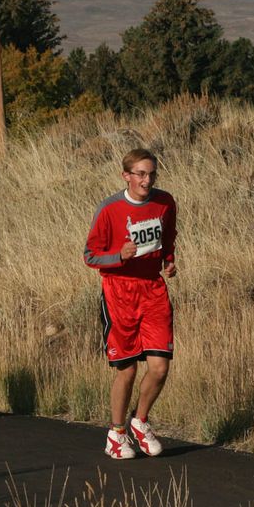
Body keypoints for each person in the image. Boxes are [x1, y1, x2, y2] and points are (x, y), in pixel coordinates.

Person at [84, 148, 177, 459]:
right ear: (126, 175)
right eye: (140, 173)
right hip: (119, 292)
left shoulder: (165, 202)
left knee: (160, 367)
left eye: (151, 173)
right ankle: (116, 433)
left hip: (153, 289)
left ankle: (140, 421)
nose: (146, 180)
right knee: (127, 370)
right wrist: (118, 256)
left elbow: (168, 237)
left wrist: (169, 261)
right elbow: (90, 255)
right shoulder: (109, 209)